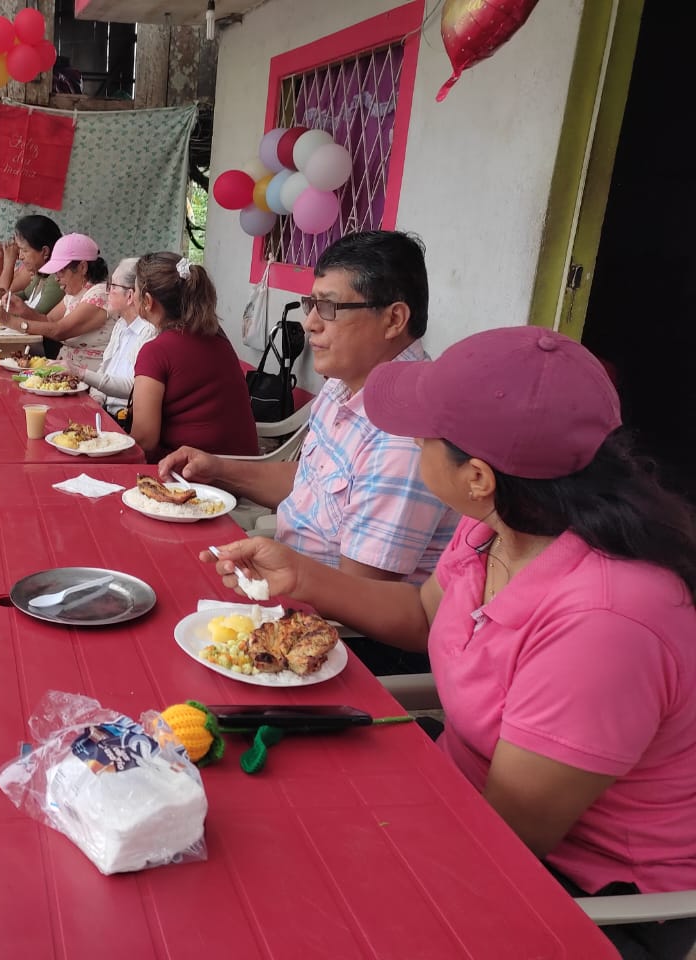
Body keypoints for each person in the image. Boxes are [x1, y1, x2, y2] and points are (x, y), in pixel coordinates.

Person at [206, 327, 696, 960]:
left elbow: (509, 837)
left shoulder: (605, 624)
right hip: (450, 789)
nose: (410, 443)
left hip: (582, 898)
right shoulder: (494, 526)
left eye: (421, 436)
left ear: (479, 476)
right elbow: (423, 616)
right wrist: (301, 577)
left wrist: (352, 841)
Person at [159, 231, 455, 671]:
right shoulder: (345, 385)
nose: (310, 323)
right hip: (290, 582)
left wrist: (291, 576)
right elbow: (308, 482)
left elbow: (360, 593)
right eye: (310, 305)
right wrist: (218, 469)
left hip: (342, 638)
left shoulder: (404, 436)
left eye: (329, 308)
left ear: (394, 319)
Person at [124, 252, 257, 461]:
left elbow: (144, 440)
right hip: (244, 466)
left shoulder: (156, 352)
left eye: (135, 292)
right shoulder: (217, 335)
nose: (132, 298)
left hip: (193, 471)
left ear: (147, 301)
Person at [0, 233, 112, 372]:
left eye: (61, 272)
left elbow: (59, 330)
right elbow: (49, 320)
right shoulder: (74, 294)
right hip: (64, 369)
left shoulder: (100, 294)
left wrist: (9, 320)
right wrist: (23, 310)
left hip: (88, 376)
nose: (56, 278)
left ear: (82, 267)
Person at [69, 257, 156, 419]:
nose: (107, 291)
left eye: (113, 286)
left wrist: (79, 373)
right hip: (106, 412)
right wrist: (97, 399)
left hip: (125, 418)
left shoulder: (149, 332)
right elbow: (105, 369)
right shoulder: (121, 324)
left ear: (130, 296)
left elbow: (134, 387)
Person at [0, 214, 65, 358]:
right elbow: (19, 295)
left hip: (45, 354)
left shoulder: (57, 280)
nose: (20, 256)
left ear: (45, 252)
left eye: (24, 250)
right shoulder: (41, 275)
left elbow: (35, 315)